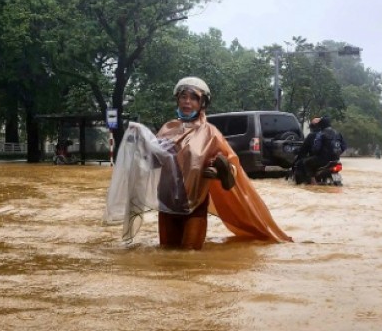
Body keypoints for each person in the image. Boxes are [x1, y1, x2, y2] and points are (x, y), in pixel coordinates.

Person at [104, 76, 291, 249]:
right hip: (167, 202)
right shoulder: (167, 129)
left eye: (193, 98)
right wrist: (140, 146)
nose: (187, 102)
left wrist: (220, 172)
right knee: (168, 255)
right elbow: (154, 163)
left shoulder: (211, 133)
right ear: (177, 100)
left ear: (202, 103)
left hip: (194, 203)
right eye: (183, 97)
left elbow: (233, 166)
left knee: (189, 255)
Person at [301, 116, 344, 182]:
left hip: (323, 160)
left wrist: (314, 152)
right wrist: (337, 153)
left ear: (322, 124)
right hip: (336, 160)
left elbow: (316, 148)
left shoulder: (321, 134)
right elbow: (344, 146)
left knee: (306, 163)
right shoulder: (338, 134)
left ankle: (313, 184)